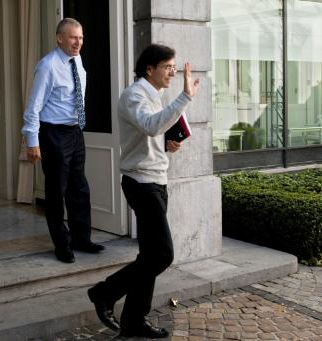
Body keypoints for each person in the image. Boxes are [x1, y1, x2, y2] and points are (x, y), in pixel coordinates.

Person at [87, 44, 200, 339]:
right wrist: (185, 97)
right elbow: (150, 126)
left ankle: (134, 320)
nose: (172, 73)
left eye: (174, 67)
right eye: (168, 67)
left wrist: (169, 143)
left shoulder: (157, 96)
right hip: (140, 182)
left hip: (158, 179)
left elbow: (151, 136)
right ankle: (104, 292)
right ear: (149, 68)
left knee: (149, 255)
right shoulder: (134, 95)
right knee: (162, 254)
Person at [21, 18, 104, 264]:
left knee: (80, 188)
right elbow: (33, 107)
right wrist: (32, 140)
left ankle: (82, 239)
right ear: (60, 38)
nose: (78, 42)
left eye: (81, 38)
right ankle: (62, 245)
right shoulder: (47, 66)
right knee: (57, 191)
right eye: (73, 37)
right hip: (53, 134)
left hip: (75, 131)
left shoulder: (76, 59)